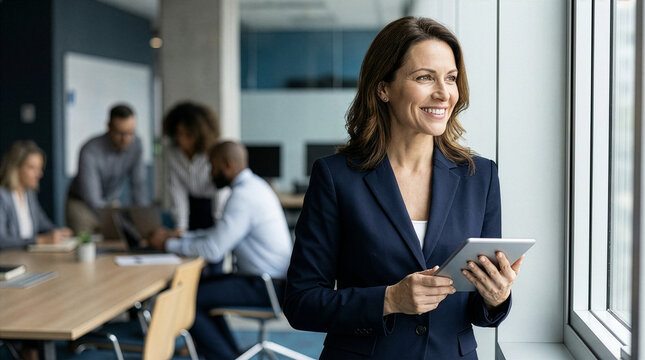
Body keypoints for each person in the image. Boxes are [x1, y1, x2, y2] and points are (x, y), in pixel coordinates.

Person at [283, 17, 524, 359]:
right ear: (383, 88)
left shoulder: (479, 176)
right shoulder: (336, 177)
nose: (444, 93)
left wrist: (495, 297)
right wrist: (389, 299)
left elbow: (475, 309)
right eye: (425, 77)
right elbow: (301, 302)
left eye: (451, 78)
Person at [149, 141, 293, 360]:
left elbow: (213, 249)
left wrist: (166, 245)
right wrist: (179, 237)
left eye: (212, 166)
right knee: (197, 291)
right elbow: (219, 234)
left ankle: (224, 356)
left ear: (228, 165)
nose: (210, 173)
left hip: (267, 286)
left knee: (188, 298)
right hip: (267, 280)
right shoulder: (255, 187)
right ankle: (230, 353)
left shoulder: (243, 197)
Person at [66, 104, 148, 234]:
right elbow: (92, 197)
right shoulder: (90, 150)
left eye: (130, 133)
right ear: (109, 127)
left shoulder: (136, 145)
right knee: (87, 248)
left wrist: (143, 220)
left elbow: (139, 186)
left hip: (110, 202)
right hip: (82, 204)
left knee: (119, 242)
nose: (126, 139)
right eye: (120, 133)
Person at [0, 141, 72, 250]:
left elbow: (43, 223)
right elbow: (2, 240)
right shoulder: (2, 196)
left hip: (28, 258)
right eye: (32, 168)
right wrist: (39, 240)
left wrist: (58, 232)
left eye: (40, 168)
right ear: (15, 168)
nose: (39, 174)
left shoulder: (29, 194)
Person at [163, 102, 220, 231]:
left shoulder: (213, 152)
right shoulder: (173, 153)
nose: (182, 139)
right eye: (179, 134)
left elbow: (220, 192)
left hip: (213, 206)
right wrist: (180, 227)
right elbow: (176, 189)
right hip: (190, 206)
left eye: (188, 135)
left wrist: (220, 225)